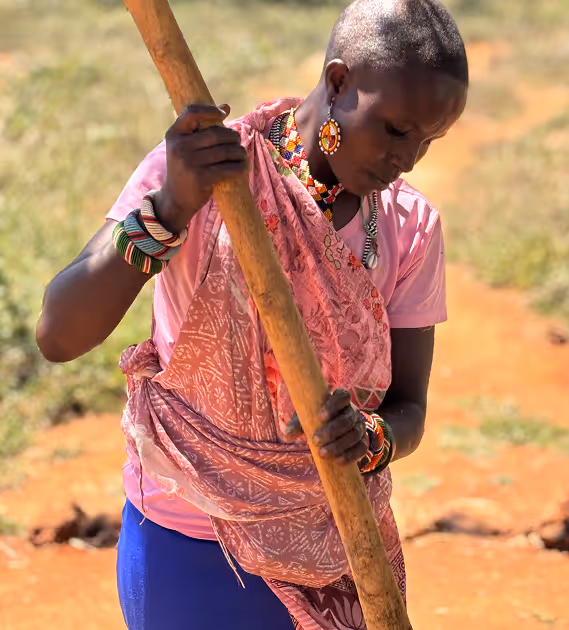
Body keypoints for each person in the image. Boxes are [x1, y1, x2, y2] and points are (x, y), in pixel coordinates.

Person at [36, 0, 468, 627]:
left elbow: (408, 410)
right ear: (340, 82)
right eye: (396, 130)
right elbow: (58, 333)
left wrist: (370, 440)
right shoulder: (207, 173)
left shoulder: (411, 226)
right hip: (188, 539)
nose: (407, 158)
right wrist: (170, 208)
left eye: (429, 141)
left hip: (336, 543)